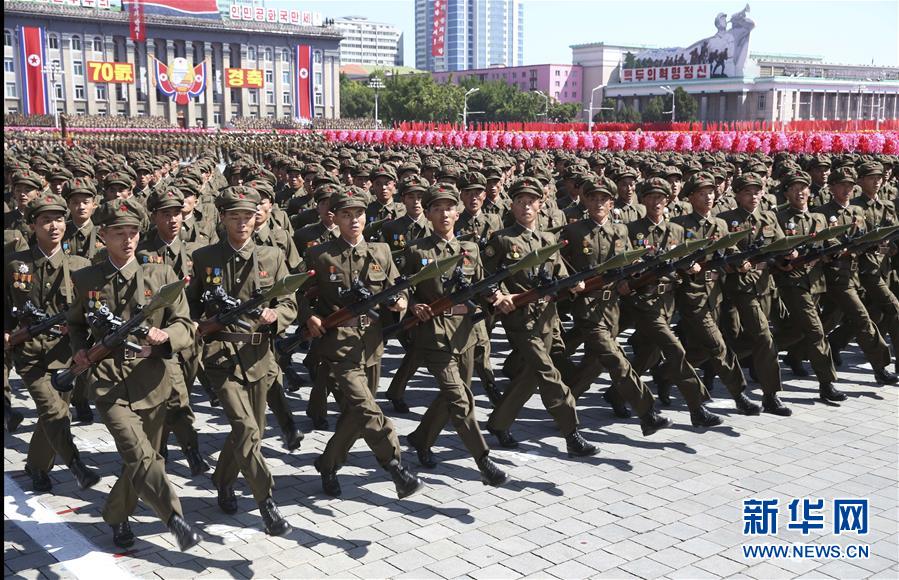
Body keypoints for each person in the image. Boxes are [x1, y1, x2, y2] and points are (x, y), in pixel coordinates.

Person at [67, 197, 202, 551]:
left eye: (133, 233)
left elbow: (186, 325)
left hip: (152, 381)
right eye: (118, 233)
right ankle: (174, 517)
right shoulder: (86, 278)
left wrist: (165, 336)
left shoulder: (161, 275)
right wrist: (79, 349)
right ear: (102, 236)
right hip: (109, 384)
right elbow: (75, 323)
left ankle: (116, 515)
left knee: (141, 460)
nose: (127, 240)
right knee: (140, 455)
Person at [300, 188, 424, 499]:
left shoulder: (380, 251)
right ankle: (395, 466)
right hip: (338, 344)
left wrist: (400, 302)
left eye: (358, 214)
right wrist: (308, 317)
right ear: (335, 218)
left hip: (372, 343)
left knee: (357, 416)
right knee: (367, 407)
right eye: (346, 214)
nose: (353, 220)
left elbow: (398, 287)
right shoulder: (321, 254)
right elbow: (299, 294)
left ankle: (327, 463)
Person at [187, 186, 295, 536]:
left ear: (256, 217)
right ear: (223, 218)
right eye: (235, 216)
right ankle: (266, 502)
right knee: (247, 429)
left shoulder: (272, 256)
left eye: (247, 216)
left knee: (252, 431)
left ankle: (222, 480)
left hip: (259, 355)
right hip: (220, 357)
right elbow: (189, 309)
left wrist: (275, 314)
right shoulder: (205, 258)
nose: (242, 222)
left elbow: (290, 303)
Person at [400, 184, 508, 486]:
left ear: (457, 212)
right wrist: (411, 305)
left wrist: (498, 296)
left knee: (453, 397)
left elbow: (484, 283)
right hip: (434, 335)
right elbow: (403, 289)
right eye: (437, 208)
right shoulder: (417, 251)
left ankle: (421, 439)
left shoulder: (470, 248)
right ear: (428, 213)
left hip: (466, 333)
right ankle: (484, 460)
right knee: (461, 401)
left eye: (449, 208)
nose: (444, 213)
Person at [482, 178, 598, 457]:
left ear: (540, 205)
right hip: (521, 319)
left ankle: (498, 423)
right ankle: (571, 432)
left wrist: (573, 284)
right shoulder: (502, 239)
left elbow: (560, 272)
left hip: (547, 317)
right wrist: (498, 297)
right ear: (512, 205)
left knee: (531, 376)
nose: (526, 206)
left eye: (531, 201)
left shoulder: (548, 240)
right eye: (520, 201)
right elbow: (485, 277)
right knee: (548, 374)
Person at [555, 177, 672, 435]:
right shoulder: (574, 231)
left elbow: (630, 264)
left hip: (613, 308)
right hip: (587, 307)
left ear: (611, 202)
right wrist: (570, 283)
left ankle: (562, 406)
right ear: (585, 201)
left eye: (603, 199)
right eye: (593, 198)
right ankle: (647, 412)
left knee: (595, 363)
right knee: (617, 360)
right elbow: (558, 261)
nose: (598, 203)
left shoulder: (620, 231)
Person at [4, 193, 101, 493]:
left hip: (66, 354)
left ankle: (36, 466)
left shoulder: (80, 265)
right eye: (46, 221)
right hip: (30, 353)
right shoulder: (14, 264)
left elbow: (90, 311)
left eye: (59, 219)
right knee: (55, 411)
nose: (54, 226)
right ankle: (76, 465)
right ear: (33, 226)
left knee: (54, 413)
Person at [618, 177, 723, 428]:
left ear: (668, 201)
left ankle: (615, 394)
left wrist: (692, 265)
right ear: (643, 200)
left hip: (668, 301)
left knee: (648, 356)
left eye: (661, 198)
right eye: (651, 197)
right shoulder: (631, 230)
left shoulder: (675, 230)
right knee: (675, 350)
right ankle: (697, 408)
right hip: (644, 300)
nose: (656, 202)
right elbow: (621, 264)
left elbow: (686, 260)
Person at [671, 172, 761, 414]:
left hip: (715, 293)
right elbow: (674, 257)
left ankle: (664, 375)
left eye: (711, 192)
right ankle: (739, 394)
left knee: (703, 348)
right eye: (702, 193)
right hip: (692, 294)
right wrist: (686, 265)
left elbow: (727, 248)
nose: (709, 197)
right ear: (690, 197)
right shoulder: (680, 225)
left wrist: (738, 262)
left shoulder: (719, 224)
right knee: (718, 344)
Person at [136, 188, 209, 475]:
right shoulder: (142, 254)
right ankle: (191, 450)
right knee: (177, 398)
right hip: (158, 339)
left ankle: (163, 444)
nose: (173, 219)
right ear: (154, 217)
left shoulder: (195, 251)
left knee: (180, 394)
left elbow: (205, 292)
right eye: (166, 214)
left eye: (177, 213)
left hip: (191, 336)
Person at [717, 173, 794, 415]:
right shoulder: (726, 219)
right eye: (748, 192)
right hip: (741, 287)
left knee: (762, 337)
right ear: (738, 195)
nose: (754, 196)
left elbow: (781, 245)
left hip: (765, 285)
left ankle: (708, 363)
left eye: (757, 191)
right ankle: (770, 396)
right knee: (763, 337)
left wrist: (787, 256)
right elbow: (724, 250)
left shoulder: (768, 216)